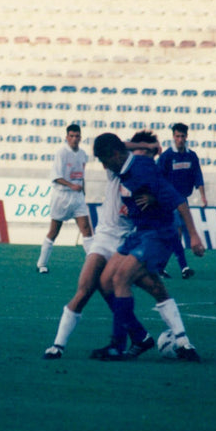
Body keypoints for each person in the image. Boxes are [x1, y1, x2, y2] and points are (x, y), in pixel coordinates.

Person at [43, 135, 180, 360]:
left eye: (145, 154)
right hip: (104, 237)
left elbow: (167, 197)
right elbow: (119, 146)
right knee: (86, 286)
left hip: (128, 239)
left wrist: (154, 199)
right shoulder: (116, 168)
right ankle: (58, 346)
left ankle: (173, 338)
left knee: (147, 287)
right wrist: (144, 145)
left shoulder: (146, 175)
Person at [92, 132, 205, 361]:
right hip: (139, 234)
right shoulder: (124, 163)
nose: (104, 166)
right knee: (106, 281)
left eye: (104, 160)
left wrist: (193, 236)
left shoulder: (141, 169)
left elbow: (179, 201)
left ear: (114, 155)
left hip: (158, 234)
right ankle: (182, 342)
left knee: (121, 278)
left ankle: (118, 344)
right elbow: (122, 145)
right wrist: (145, 144)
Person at [36, 124, 93, 274]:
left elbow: (82, 176)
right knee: (54, 231)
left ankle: (94, 263)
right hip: (62, 196)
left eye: (77, 136)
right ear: (67, 137)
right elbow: (56, 177)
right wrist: (71, 185)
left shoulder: (82, 154)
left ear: (80, 137)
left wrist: (83, 192)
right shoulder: (61, 153)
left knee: (86, 230)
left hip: (77, 197)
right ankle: (42, 264)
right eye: (71, 136)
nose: (74, 139)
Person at [157, 122, 207, 279]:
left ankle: (160, 267)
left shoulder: (191, 156)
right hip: (168, 201)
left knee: (174, 236)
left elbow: (198, 176)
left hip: (183, 200)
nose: (180, 139)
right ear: (173, 137)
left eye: (182, 136)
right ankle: (184, 268)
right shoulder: (166, 156)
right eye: (177, 136)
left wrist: (203, 196)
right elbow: (157, 178)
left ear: (187, 137)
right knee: (177, 231)